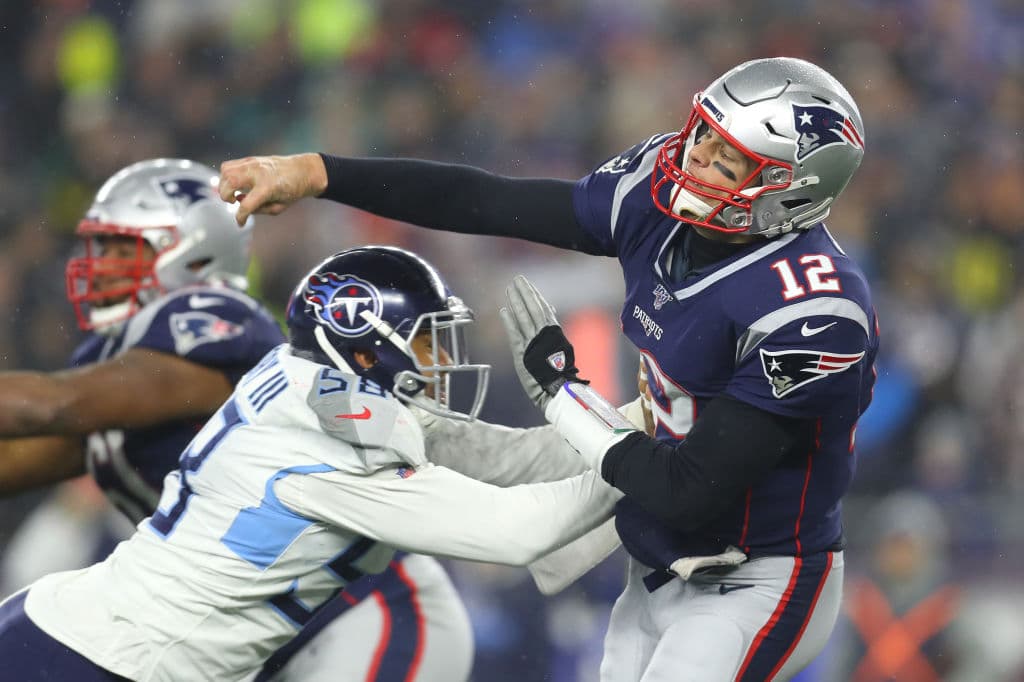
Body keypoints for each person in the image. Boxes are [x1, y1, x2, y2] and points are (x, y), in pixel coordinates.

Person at [218, 56, 880, 680]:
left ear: (785, 190)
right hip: (657, 554)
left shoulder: (815, 312)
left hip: (760, 574)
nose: (694, 157)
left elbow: (689, 489)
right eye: (702, 134)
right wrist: (320, 174)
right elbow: (487, 201)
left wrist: (563, 393)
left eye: (726, 157)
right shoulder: (657, 198)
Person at [0, 243, 621, 682]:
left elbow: (504, 458)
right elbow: (520, 530)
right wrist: (649, 460)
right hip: (93, 658)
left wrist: (645, 418)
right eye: (428, 340)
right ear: (362, 338)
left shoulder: (310, 384)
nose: (442, 362)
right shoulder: (329, 449)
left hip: (87, 639)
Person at [0, 160, 474, 682]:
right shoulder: (117, 374)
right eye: (100, 248)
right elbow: (23, 452)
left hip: (363, 615)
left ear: (194, 249)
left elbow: (52, 406)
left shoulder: (217, 324)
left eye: (121, 248)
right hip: (248, 650)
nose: (100, 264)